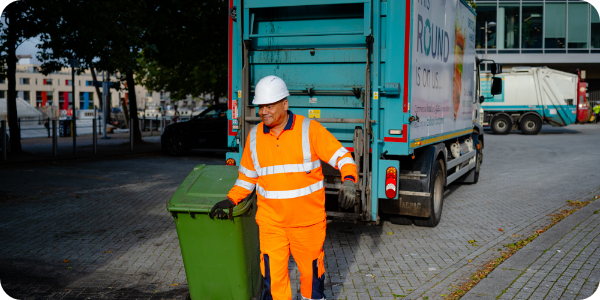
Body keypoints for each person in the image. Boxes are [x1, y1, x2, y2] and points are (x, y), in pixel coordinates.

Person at [210, 75, 358, 300]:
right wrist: (230, 200)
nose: (263, 111)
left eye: (269, 105)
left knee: (311, 280)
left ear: (285, 104)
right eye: (261, 106)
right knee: (274, 281)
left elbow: (343, 157)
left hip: (307, 223)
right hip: (272, 225)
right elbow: (247, 179)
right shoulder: (254, 137)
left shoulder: (309, 129)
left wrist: (349, 181)